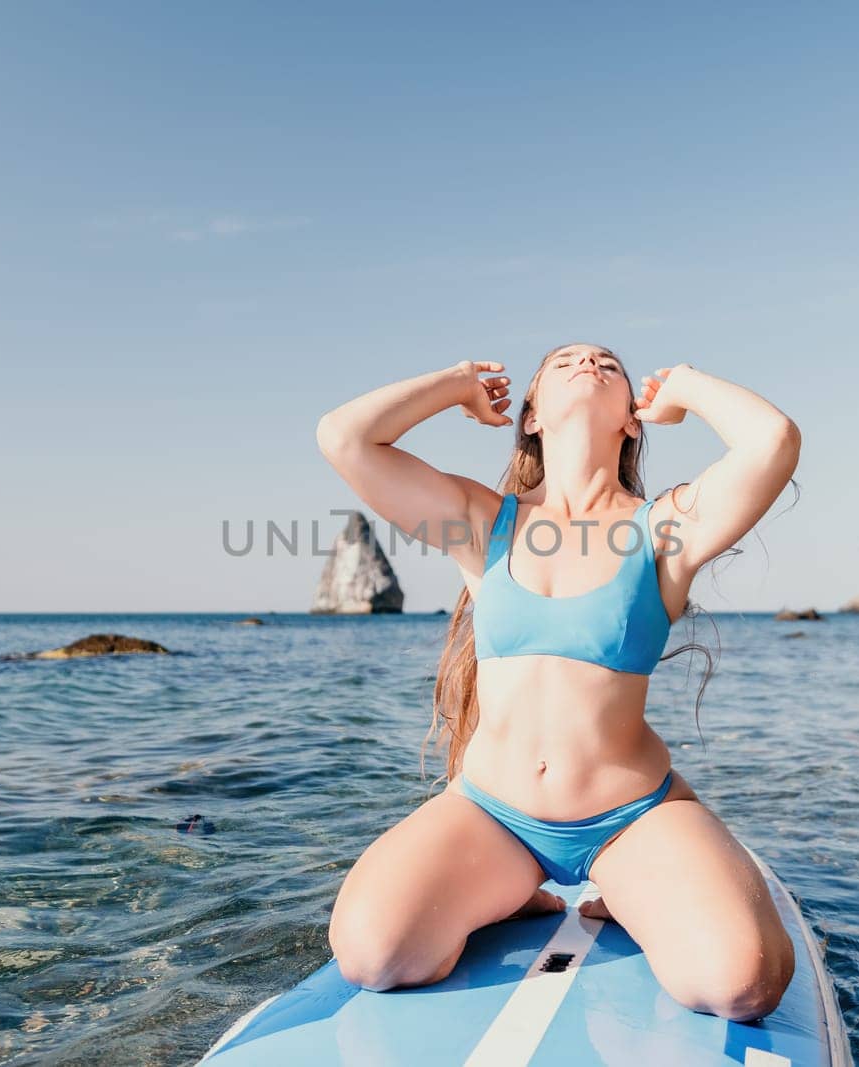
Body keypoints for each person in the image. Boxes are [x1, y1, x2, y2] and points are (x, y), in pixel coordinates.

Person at [315, 343, 800, 1021]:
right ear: (532, 414)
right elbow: (344, 437)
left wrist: (687, 386)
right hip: (493, 815)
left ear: (632, 419)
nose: (589, 362)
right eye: (565, 360)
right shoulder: (483, 523)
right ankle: (513, 892)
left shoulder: (664, 528)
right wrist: (456, 385)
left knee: (742, 983)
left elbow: (772, 440)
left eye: (608, 363)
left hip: (631, 818)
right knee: (373, 954)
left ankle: (629, 890)